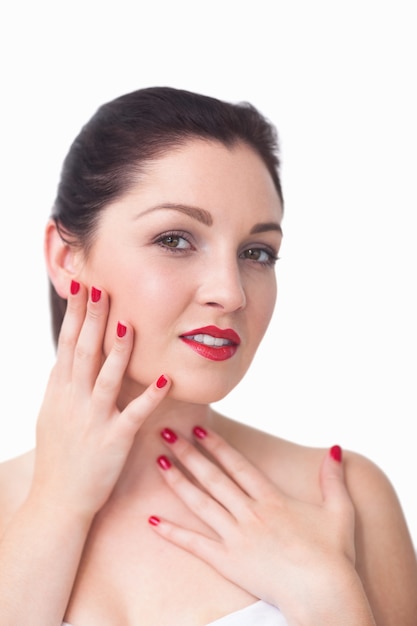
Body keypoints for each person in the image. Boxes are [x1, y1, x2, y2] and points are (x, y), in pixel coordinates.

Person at [0, 86, 416, 626]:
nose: (231, 292)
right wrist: (56, 508)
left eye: (256, 253)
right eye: (175, 239)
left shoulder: (340, 498)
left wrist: (328, 596)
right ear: (64, 257)